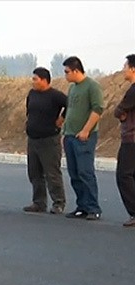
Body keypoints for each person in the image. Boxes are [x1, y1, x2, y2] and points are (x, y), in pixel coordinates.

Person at [62, 56, 104, 220]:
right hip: (70, 135)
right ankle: (82, 206)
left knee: (85, 172)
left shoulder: (92, 86)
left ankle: (93, 207)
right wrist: (64, 132)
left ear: (76, 70)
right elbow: (70, 111)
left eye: (67, 72)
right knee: (74, 173)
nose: (65, 75)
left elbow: (98, 109)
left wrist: (86, 130)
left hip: (85, 136)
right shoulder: (72, 88)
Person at [22, 67, 67, 214]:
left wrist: (61, 118)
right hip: (33, 139)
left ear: (44, 80)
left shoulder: (55, 95)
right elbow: (29, 111)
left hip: (49, 140)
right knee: (34, 173)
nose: (33, 82)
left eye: (35, 79)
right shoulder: (32, 94)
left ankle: (58, 202)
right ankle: (39, 202)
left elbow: (70, 104)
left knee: (52, 173)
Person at [114, 54, 135, 227]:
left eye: (125, 66)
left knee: (124, 175)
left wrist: (120, 114)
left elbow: (119, 110)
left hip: (131, 139)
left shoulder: (133, 90)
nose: (123, 70)